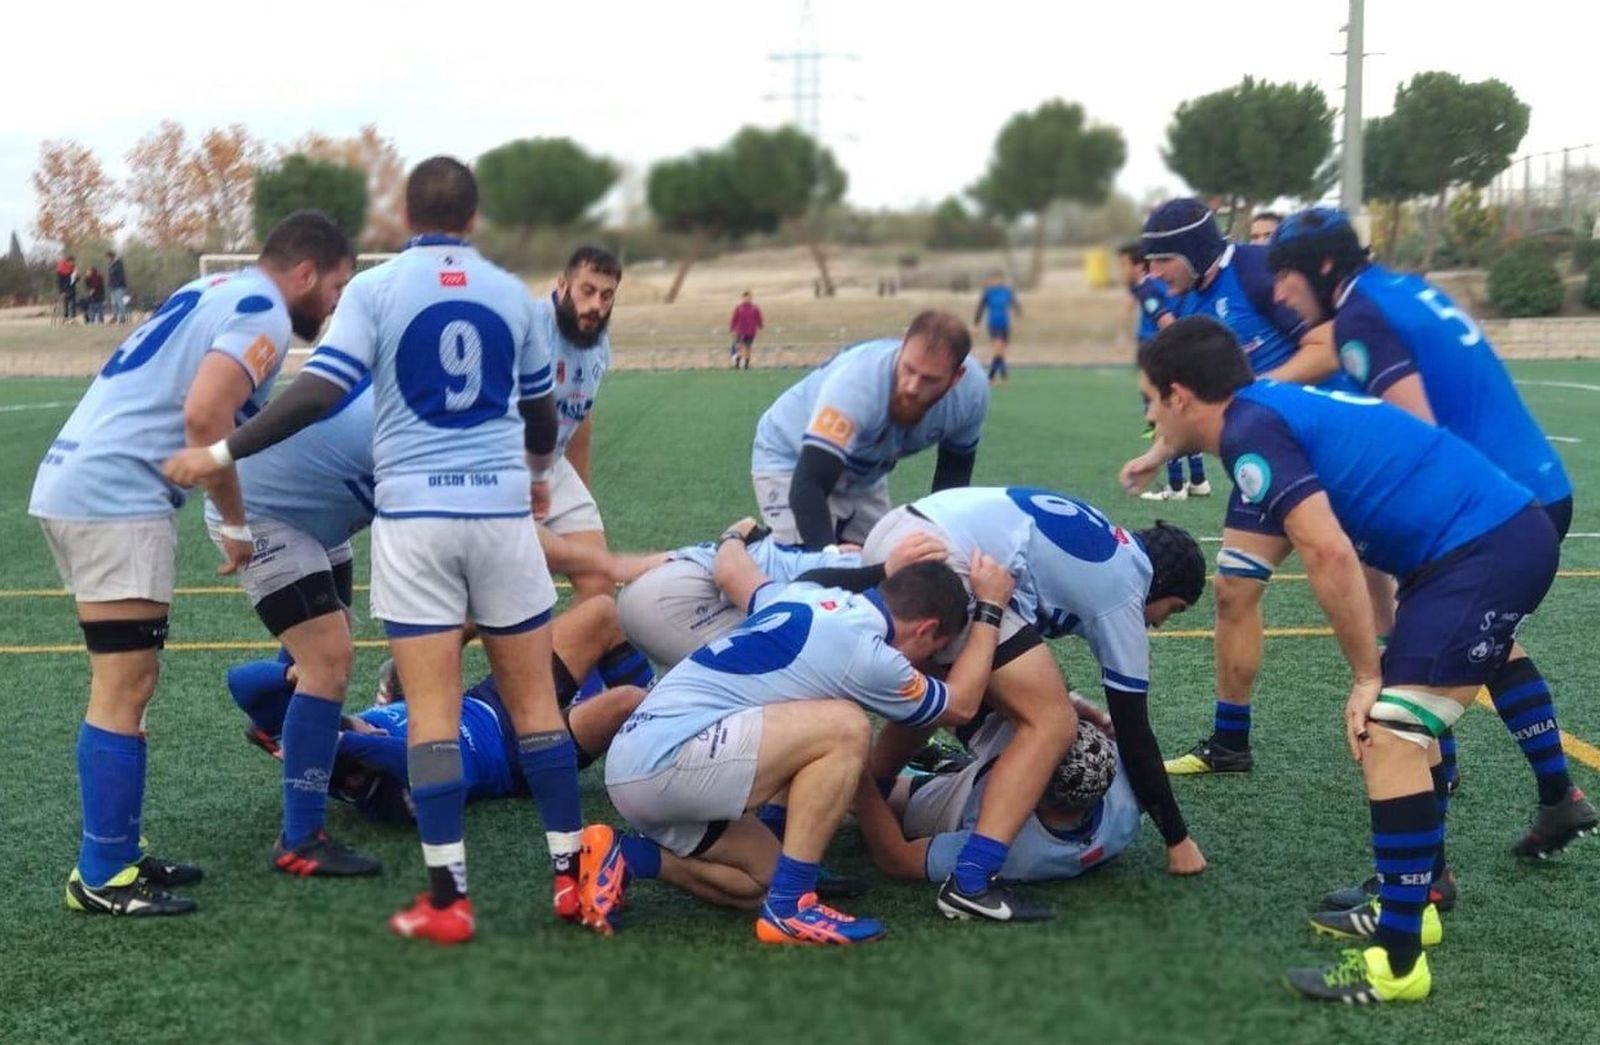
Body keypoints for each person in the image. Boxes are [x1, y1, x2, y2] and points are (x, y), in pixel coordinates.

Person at [163, 157, 585, 946]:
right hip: (410, 514)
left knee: (424, 708)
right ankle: (570, 878)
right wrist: (535, 477)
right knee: (521, 702)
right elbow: (542, 416)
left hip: (410, 521)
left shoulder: (377, 295)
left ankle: (447, 899)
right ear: (474, 220)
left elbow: (318, 389)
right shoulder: (514, 296)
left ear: (405, 220)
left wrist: (219, 451)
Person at [1139, 315, 1579, 1003]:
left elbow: (1329, 552)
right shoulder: (1259, 408)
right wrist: (1159, 452)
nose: (1149, 417)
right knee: (1405, 729)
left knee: (1390, 732)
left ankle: (1398, 963)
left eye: (1151, 401)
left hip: (1482, 552)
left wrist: (1365, 675)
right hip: (1472, 549)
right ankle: (1421, 897)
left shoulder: (1251, 433)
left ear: (1180, 395)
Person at [29, 210, 354, 917]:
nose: (333, 308)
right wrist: (235, 522)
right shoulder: (265, 311)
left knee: (129, 683)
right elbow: (207, 419)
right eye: (335, 289)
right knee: (124, 684)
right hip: (115, 494)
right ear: (305, 273)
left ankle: (117, 851)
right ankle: (102, 874)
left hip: (88, 482)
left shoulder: (217, 289)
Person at [1267, 206, 1587, 860]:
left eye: (1285, 275)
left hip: (1486, 511)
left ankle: (1427, 872)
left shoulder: (1361, 314)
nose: (1278, 292)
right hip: (1534, 488)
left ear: (1322, 267)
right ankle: (1558, 795)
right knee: (1487, 644)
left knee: (1410, 679)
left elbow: (1417, 435)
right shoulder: (1405, 287)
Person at [578, 538, 1015, 944]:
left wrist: (733, 538)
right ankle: (791, 908)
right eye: (933, 651)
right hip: (667, 762)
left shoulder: (802, 594)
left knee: (759, 883)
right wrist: (991, 607)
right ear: (925, 629)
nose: (925, 663)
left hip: (641, 761)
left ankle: (627, 854)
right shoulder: (866, 652)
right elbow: (960, 706)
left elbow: (739, 575)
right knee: (846, 726)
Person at [857, 489, 1208, 920]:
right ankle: (972, 879)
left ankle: (867, 785)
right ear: (1163, 584)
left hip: (905, 532)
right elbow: (1134, 732)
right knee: (1052, 722)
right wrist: (1178, 840)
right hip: (946, 557)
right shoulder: (1126, 589)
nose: (1159, 623)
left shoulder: (1105, 535)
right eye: (1173, 609)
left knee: (948, 687)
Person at [1118, 198, 1352, 775]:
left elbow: (1328, 347)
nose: (1154, 275)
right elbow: (1196, 401)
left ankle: (1428, 747)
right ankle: (1230, 743)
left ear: (1193, 251)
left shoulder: (1253, 269)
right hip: (1265, 457)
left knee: (1376, 596)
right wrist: (1157, 454)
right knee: (1233, 590)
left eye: (1161, 261)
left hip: (1325, 452)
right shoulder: (1187, 301)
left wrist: (1254, 396)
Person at [200, 379, 381, 875]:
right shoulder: (418, 410)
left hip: (321, 510)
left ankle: (274, 720)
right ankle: (300, 840)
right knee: (327, 663)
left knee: (325, 650)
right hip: (265, 512)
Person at [750, 311, 988, 549]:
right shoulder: (858, 384)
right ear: (902, 345)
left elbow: (952, 479)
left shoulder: (971, 394)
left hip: (864, 473)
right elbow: (808, 484)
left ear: (956, 377)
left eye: (929, 379)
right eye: (908, 369)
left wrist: (940, 540)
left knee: (889, 558)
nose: (912, 387)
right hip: (792, 458)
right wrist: (829, 556)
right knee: (807, 563)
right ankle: (746, 541)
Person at [854, 712, 1142, 886]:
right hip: (1008, 778)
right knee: (1036, 711)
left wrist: (861, 781)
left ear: (1032, 787)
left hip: (959, 802)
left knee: (881, 799)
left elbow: (897, 859)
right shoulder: (1125, 786)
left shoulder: (1016, 854)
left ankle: (950, 769)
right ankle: (954, 763)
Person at [616, 522, 944, 669]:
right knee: (790, 675)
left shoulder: (823, 557)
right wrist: (884, 569)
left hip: (658, 588)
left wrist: (735, 534)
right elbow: (798, 588)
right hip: (681, 598)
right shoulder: (849, 570)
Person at [535, 246, 622, 602]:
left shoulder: (597, 342)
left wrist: (581, 495)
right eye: (587, 290)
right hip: (503, 471)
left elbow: (580, 416)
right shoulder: (528, 328)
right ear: (562, 285)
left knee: (599, 581)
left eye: (607, 295)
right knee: (505, 594)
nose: (596, 305)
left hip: (553, 466)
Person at [1116, 240, 1207, 498]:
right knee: (1181, 414)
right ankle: (1198, 480)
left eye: (1123, 265)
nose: (1120, 271)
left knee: (1164, 419)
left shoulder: (1148, 289)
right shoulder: (1160, 285)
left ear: (1138, 265)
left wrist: (1173, 353)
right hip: (1169, 354)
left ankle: (1176, 486)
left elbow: (1167, 323)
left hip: (1158, 357)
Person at [973, 272, 1020, 383]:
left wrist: (1018, 316)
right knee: (998, 350)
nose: (995, 282)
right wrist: (976, 324)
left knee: (1002, 351)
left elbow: (1015, 304)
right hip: (994, 324)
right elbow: (980, 308)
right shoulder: (988, 293)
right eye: (993, 280)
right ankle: (993, 376)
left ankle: (1001, 376)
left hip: (1005, 325)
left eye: (997, 279)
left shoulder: (1006, 292)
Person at [729, 291, 763, 370]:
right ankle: (737, 364)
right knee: (740, 347)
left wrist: (760, 327)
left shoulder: (754, 308)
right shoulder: (739, 308)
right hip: (740, 331)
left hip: (750, 331)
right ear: (743, 298)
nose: (747, 299)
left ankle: (746, 364)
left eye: (749, 298)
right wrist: (732, 328)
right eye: (746, 298)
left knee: (748, 347)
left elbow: (758, 318)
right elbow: (734, 318)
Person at [107, 250, 129, 324]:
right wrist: (110, 284)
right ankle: (115, 316)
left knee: (119, 302)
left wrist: (119, 284)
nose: (107, 259)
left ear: (111, 257)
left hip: (118, 286)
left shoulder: (118, 264)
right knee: (113, 302)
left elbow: (120, 276)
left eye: (108, 257)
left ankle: (122, 317)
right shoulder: (111, 265)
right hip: (112, 286)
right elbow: (110, 276)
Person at [56, 253, 76, 319]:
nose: (73, 263)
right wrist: (61, 291)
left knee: (72, 304)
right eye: (72, 262)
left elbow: (74, 280)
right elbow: (59, 282)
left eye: (73, 262)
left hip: (71, 289)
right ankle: (65, 318)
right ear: (68, 261)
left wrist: (77, 277)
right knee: (65, 305)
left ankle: (72, 318)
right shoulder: (61, 269)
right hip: (64, 289)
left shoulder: (73, 269)